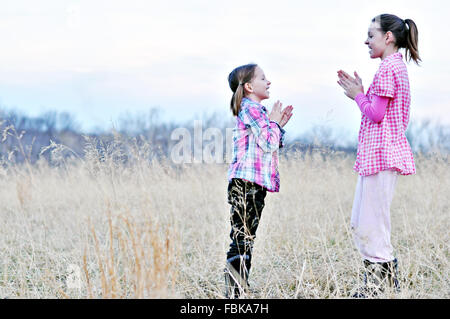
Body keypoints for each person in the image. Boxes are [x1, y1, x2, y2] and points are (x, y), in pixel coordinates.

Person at [337, 13, 420, 297]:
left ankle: (377, 286)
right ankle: (381, 283)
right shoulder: (392, 66)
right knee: (363, 221)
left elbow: (375, 113)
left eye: (371, 35)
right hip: (379, 156)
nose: (366, 40)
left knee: (372, 223)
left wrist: (358, 95)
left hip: (383, 156)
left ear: (389, 37)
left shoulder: (389, 68)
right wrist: (362, 91)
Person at [224, 63, 293, 298]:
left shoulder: (256, 111)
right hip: (246, 184)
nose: (269, 82)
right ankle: (235, 292)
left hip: (252, 184)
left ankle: (238, 289)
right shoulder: (251, 110)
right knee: (243, 238)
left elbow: (269, 142)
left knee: (245, 236)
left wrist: (277, 125)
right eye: (263, 78)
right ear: (250, 86)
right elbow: (268, 142)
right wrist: (274, 124)